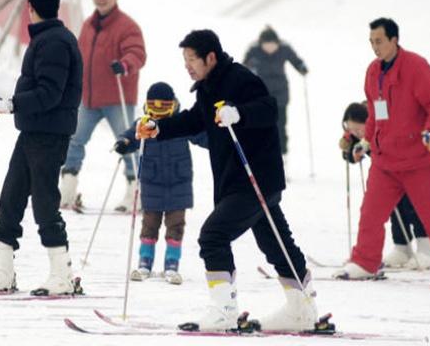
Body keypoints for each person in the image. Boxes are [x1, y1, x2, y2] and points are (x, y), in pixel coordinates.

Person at [136, 30, 318, 331]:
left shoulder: (240, 79)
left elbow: (268, 109)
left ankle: (224, 310)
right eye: (185, 60)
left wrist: (239, 114)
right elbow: (195, 120)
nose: (187, 66)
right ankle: (301, 308)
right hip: (245, 180)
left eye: (192, 59)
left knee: (212, 236)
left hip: (253, 180)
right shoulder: (209, 87)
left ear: (211, 57)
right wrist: (158, 128)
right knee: (276, 243)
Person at [334, 18, 430, 286]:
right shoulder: (373, 72)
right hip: (386, 161)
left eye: (379, 41)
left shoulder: (416, 66)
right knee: (370, 214)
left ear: (394, 40)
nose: (375, 47)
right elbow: (375, 114)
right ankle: (364, 262)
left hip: (418, 158)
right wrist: (366, 141)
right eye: (371, 42)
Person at [0, 0, 83, 295]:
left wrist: (12, 104)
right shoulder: (49, 39)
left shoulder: (53, 42)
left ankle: (61, 275)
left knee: (44, 202)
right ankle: (3, 272)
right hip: (33, 132)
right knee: (11, 196)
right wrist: (10, 104)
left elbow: (49, 94)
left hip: (49, 134)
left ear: (31, 8)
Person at [340, 102, 430, 274]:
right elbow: (358, 148)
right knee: (393, 208)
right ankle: (402, 247)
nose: (356, 133)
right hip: (389, 168)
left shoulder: (381, 113)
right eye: (352, 131)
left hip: (417, 161)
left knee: (422, 208)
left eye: (358, 130)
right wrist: (350, 150)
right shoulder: (372, 109)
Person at [60, 0, 146, 212]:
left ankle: (135, 193)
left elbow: (137, 53)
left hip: (117, 97)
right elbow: (79, 55)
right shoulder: (88, 25)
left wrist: (125, 64)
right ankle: (67, 189)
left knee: (127, 143)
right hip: (88, 98)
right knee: (74, 140)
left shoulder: (127, 26)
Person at [113, 82, 207, 285]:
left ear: (172, 105)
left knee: (176, 226)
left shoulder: (181, 123)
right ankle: (144, 262)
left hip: (179, 184)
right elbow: (130, 136)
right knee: (149, 226)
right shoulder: (144, 124)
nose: (159, 114)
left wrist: (217, 138)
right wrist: (124, 143)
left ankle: (171, 265)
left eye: (163, 108)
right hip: (152, 183)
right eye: (154, 108)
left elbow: (201, 136)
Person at [243, 26, 308, 164]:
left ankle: (282, 156)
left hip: (280, 95)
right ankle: (262, 156)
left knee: (280, 126)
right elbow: (244, 66)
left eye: (273, 45)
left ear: (277, 43)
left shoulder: (284, 48)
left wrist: (301, 67)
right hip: (261, 95)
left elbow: (295, 60)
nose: (270, 48)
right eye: (267, 45)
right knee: (261, 125)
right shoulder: (254, 50)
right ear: (261, 44)